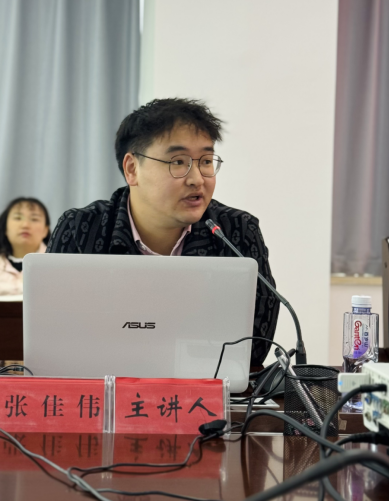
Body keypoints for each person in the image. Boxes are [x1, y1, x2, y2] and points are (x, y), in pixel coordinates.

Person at [47, 98, 280, 364]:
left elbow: (255, 347)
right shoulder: (81, 228)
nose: (197, 179)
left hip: (205, 386)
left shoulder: (236, 230)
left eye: (206, 161)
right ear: (132, 169)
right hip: (101, 385)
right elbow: (54, 336)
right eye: (178, 162)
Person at [0, 197, 51, 298]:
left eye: (34, 219)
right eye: (18, 218)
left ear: (45, 230)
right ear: (5, 228)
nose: (25, 225)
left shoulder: (55, 264)